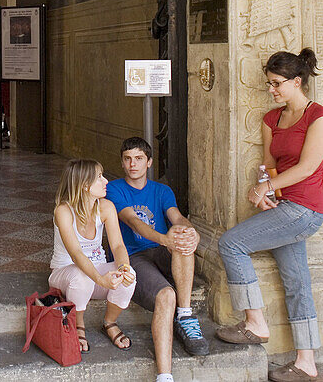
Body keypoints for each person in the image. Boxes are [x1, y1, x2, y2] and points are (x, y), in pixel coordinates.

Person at [216, 49, 323, 382]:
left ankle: (255, 323)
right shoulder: (271, 119)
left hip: (306, 209)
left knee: (230, 244)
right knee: (297, 283)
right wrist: (268, 190)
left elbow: (308, 167)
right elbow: (270, 166)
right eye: (269, 84)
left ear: (298, 82)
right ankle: (307, 362)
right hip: (284, 206)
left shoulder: (319, 117)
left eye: (277, 84)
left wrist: (265, 189)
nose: (272, 90)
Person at [106, 137, 209, 382]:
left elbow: (177, 217)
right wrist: (165, 239)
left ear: (149, 162)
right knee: (166, 295)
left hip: (161, 250)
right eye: (128, 159)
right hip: (133, 256)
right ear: (122, 162)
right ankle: (165, 377)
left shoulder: (162, 190)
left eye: (139, 159)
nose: (133, 164)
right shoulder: (114, 188)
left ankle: (184, 315)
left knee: (184, 239)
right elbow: (134, 222)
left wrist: (190, 231)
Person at [50, 159, 136, 354]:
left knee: (129, 274)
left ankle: (110, 322)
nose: (106, 181)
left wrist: (123, 268)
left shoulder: (106, 207)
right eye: (99, 177)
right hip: (66, 274)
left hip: (97, 274)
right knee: (82, 278)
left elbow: (117, 245)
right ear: (84, 185)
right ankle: (79, 325)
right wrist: (100, 279)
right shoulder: (63, 211)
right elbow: (76, 254)